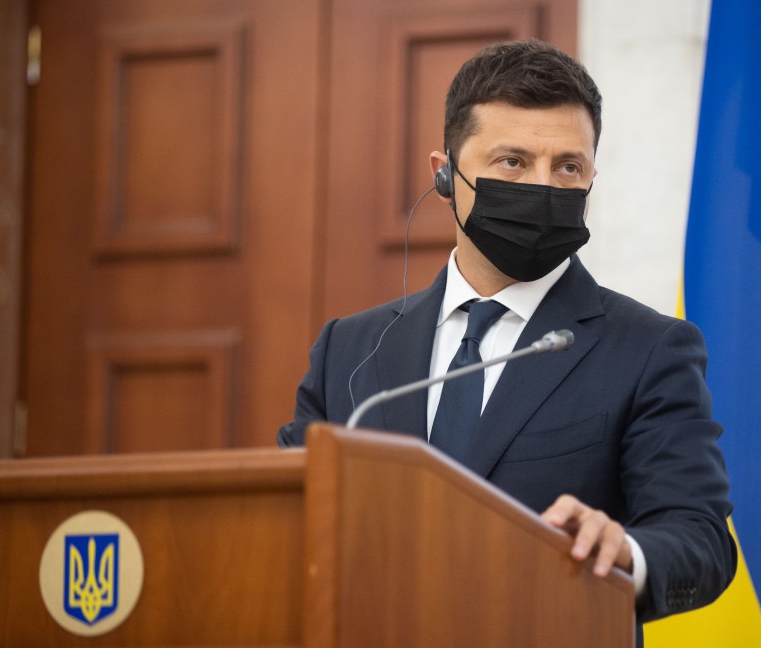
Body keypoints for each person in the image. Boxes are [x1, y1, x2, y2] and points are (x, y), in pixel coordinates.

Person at [277, 39, 736, 633]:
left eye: (568, 167)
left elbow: (700, 539)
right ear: (445, 175)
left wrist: (625, 551)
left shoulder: (650, 348)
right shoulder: (349, 350)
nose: (544, 187)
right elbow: (286, 519)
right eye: (512, 162)